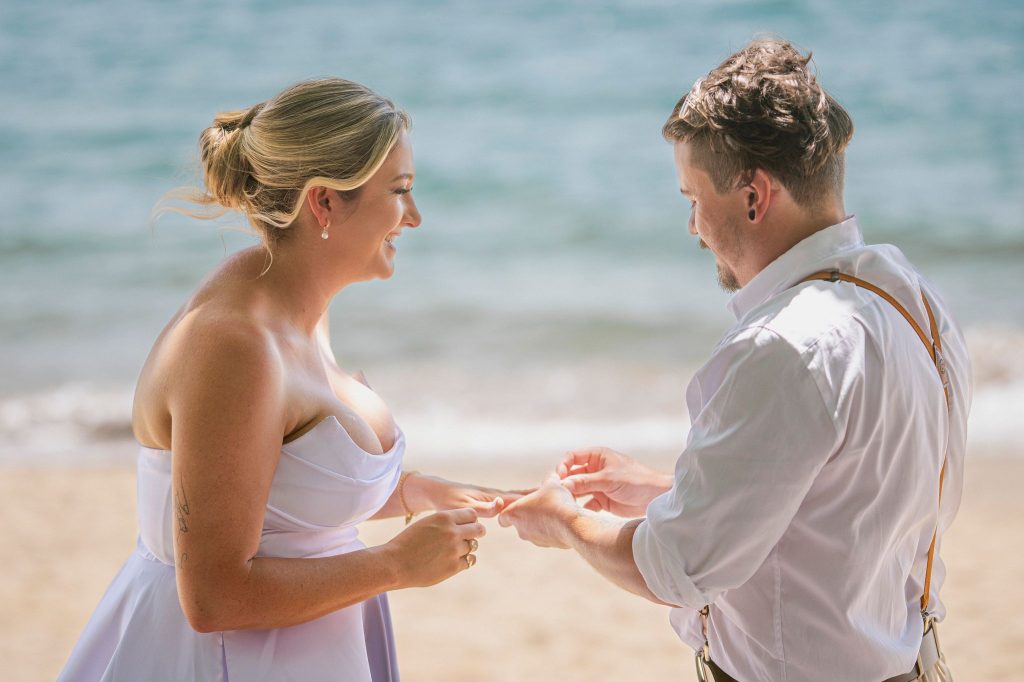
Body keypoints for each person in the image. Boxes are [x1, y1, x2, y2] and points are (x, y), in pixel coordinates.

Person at [499, 39, 969, 682]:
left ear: (753, 197)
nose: (693, 226)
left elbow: (678, 567)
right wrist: (661, 491)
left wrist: (565, 524)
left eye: (693, 197)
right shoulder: (915, 303)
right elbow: (844, 508)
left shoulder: (785, 346)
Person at [59, 78, 522, 682]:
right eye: (400, 191)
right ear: (324, 203)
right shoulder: (235, 347)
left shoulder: (294, 300)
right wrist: (395, 566)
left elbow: (277, 492)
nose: (414, 216)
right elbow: (214, 597)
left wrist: (415, 492)